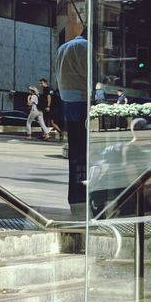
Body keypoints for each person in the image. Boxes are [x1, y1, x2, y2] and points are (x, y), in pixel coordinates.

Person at [54, 32, 90, 214]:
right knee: (85, 152)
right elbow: (90, 75)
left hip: (67, 101)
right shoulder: (85, 47)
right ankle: (84, 194)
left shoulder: (63, 48)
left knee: (75, 152)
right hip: (83, 101)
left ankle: (74, 196)